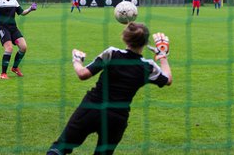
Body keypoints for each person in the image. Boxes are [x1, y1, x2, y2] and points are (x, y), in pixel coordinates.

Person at [47, 22, 172, 155]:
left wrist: (77, 60)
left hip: (91, 108)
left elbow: (83, 74)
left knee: (59, 148)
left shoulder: (112, 53)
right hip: (116, 118)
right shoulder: (148, 67)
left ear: (124, 37)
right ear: (146, 42)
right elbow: (168, 79)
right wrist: (162, 55)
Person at [0, 0, 37, 79]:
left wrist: (30, 9)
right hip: (3, 28)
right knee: (9, 48)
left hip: (13, 28)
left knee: (23, 47)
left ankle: (15, 68)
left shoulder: (14, 1)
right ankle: (3, 74)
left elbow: (22, 13)